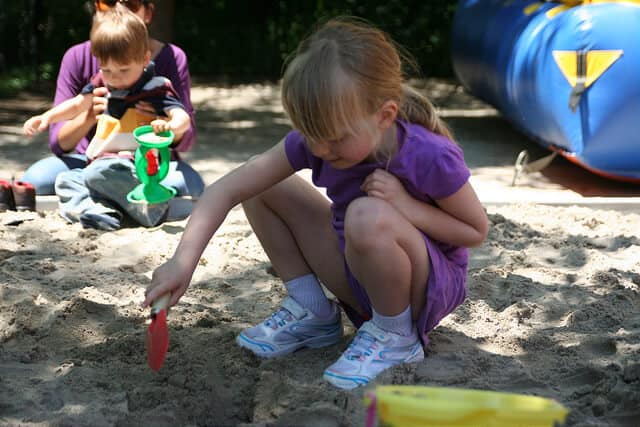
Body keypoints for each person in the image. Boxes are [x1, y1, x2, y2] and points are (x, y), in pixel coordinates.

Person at [143, 17, 489, 389]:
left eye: (334, 138)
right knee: (261, 185)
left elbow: (475, 230)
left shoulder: (428, 154)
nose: (320, 149)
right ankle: (313, 310)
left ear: (384, 116)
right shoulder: (318, 141)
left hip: (421, 289)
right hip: (359, 269)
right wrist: (182, 262)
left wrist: (407, 206)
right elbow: (225, 190)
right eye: (311, 134)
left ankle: (396, 337)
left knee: (365, 214)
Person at [23, 5, 191, 230]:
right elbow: (76, 105)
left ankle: (150, 206)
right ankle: (102, 212)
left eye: (123, 70)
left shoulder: (154, 89)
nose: (115, 78)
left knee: (99, 173)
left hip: (135, 165)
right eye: (107, 70)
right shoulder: (101, 82)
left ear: (144, 60)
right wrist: (47, 117)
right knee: (66, 181)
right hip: (99, 163)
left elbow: (183, 118)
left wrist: (169, 125)